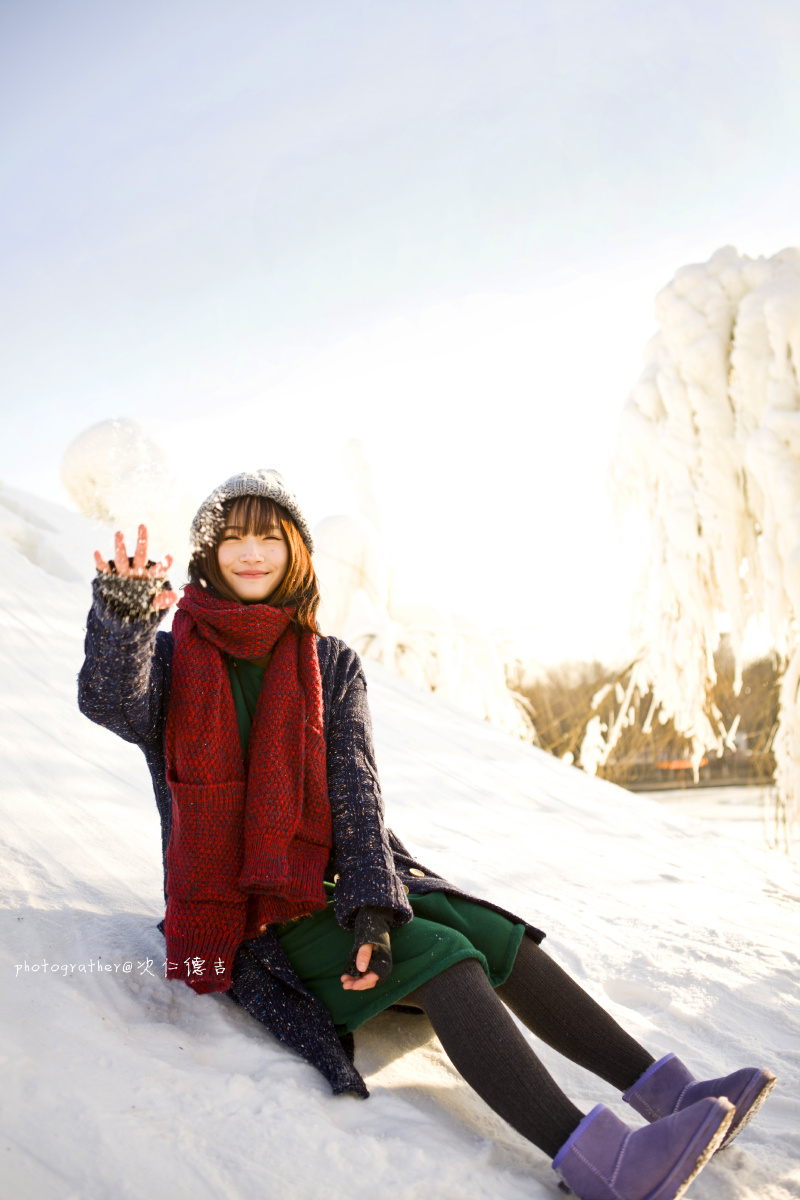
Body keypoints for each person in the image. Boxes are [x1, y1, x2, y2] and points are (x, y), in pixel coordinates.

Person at [78, 468, 776, 1200]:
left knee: (493, 932)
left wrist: (373, 915)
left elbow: (357, 799)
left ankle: (669, 1095)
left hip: (328, 881)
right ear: (207, 552)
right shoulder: (175, 658)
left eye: (269, 537)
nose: (251, 553)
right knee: (444, 955)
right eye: (233, 537)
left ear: (296, 553)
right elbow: (109, 701)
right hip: (246, 917)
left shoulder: (327, 661)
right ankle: (602, 1163)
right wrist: (122, 621)